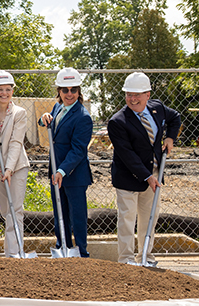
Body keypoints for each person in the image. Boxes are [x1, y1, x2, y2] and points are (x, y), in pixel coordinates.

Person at [108, 72, 180, 265]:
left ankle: (145, 256)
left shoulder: (158, 108)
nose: (132, 99)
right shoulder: (118, 121)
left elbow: (175, 117)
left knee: (149, 217)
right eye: (129, 94)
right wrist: (147, 176)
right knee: (127, 218)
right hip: (128, 177)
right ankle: (126, 258)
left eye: (137, 95)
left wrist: (170, 138)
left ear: (147, 95)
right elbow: (127, 155)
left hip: (154, 174)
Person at [38, 67, 93, 258]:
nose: (69, 94)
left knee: (77, 216)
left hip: (73, 174)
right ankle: (63, 247)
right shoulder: (58, 108)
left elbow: (78, 150)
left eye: (73, 90)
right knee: (60, 213)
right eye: (65, 90)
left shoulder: (83, 117)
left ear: (79, 91)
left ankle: (81, 252)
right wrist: (43, 118)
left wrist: (62, 170)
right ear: (59, 91)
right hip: (57, 172)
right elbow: (47, 123)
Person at [0, 70, 30, 258]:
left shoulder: (19, 113)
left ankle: (14, 253)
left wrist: (9, 169)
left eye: (8, 89)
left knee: (15, 210)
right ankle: (11, 251)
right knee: (5, 211)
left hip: (15, 168)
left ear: (12, 91)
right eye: (0, 89)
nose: (4, 93)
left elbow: (16, 142)